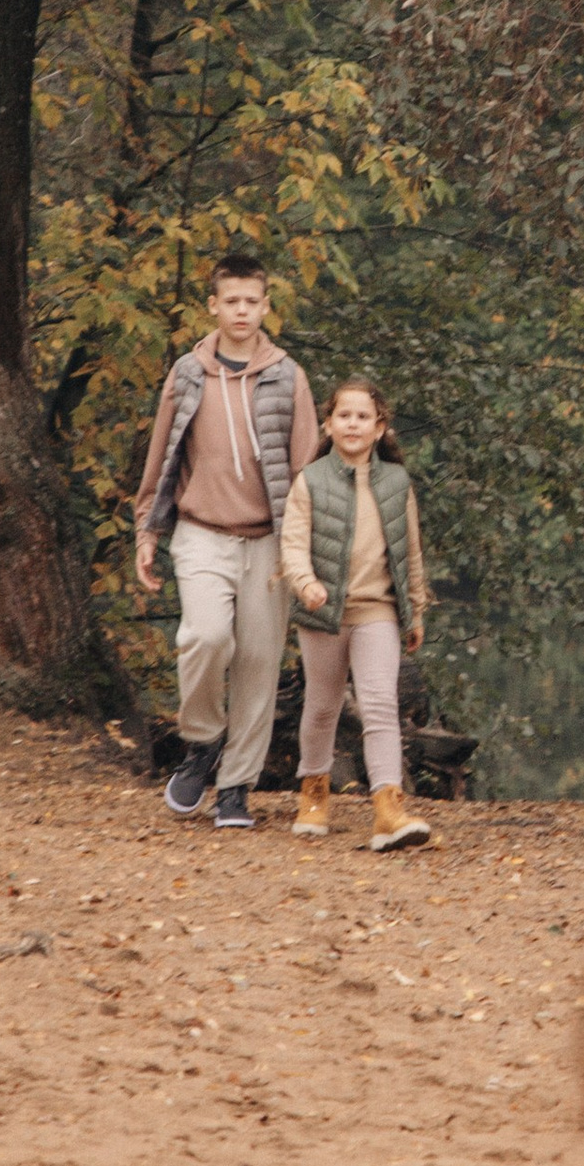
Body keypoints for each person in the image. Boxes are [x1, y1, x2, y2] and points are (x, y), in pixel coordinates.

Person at [131, 251, 318, 830]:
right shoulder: (188, 372)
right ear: (213, 307)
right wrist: (146, 528)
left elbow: (308, 464)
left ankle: (236, 787)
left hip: (269, 542)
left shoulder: (288, 375)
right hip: (200, 533)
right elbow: (161, 453)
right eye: (230, 301)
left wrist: (304, 550)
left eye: (251, 301)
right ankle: (202, 742)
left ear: (266, 307)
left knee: (260, 665)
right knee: (205, 638)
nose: (241, 311)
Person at [281, 375, 433, 857]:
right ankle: (314, 793)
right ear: (328, 424)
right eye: (344, 416)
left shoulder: (396, 482)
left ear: (380, 426)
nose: (353, 424)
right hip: (322, 612)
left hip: (379, 611)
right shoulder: (311, 480)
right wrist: (305, 584)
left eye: (363, 417)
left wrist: (417, 610)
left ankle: (389, 807)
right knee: (323, 706)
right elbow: (293, 545)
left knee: (379, 704)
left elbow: (410, 550)